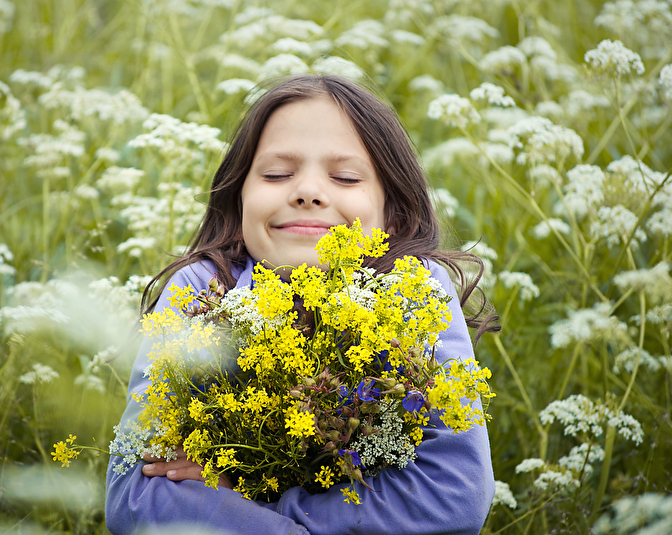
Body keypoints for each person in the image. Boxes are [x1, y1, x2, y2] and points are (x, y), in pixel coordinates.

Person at [106, 74, 497, 535]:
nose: (308, 191)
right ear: (240, 197)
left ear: (392, 212)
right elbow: (136, 493)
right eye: (276, 174)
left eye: (345, 177)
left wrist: (249, 502)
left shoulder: (415, 292)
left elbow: (454, 494)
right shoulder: (201, 290)